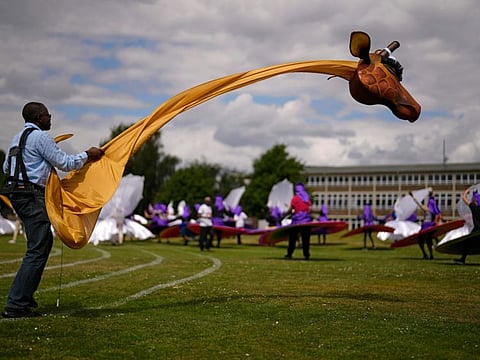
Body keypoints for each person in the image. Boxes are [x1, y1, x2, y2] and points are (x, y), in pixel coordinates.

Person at [1, 102, 104, 318]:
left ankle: (24, 296)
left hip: (16, 193)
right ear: (39, 117)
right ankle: (16, 304)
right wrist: (88, 154)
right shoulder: (40, 138)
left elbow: (6, 168)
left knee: (42, 244)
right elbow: (65, 163)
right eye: (48, 115)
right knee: (38, 248)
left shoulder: (16, 138)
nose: (50, 118)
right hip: (32, 194)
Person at [284, 182, 312, 260]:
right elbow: (309, 208)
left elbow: (291, 209)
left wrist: (284, 215)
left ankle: (289, 254)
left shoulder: (295, 198)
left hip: (297, 221)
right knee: (306, 238)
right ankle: (307, 255)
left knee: (292, 238)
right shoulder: (306, 197)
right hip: (306, 221)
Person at [409, 191, 439, 259]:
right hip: (427, 225)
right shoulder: (433, 209)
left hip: (427, 226)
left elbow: (419, 204)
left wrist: (413, 197)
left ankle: (428, 254)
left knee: (425, 240)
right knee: (425, 240)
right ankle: (428, 254)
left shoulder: (429, 209)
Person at [455, 187, 480, 264]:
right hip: (476, 230)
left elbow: (464, 198)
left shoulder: (474, 207)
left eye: (473, 199)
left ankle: (462, 259)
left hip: (477, 230)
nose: (472, 200)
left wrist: (466, 192)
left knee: (467, 242)